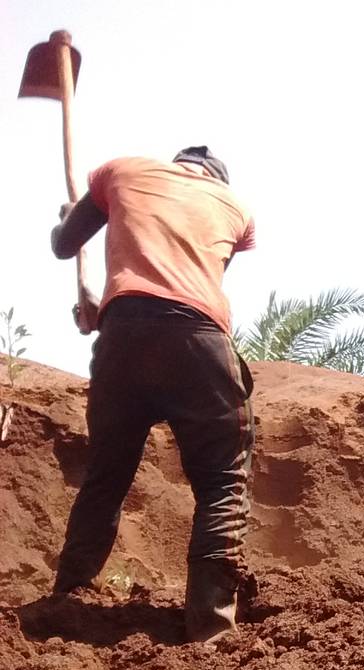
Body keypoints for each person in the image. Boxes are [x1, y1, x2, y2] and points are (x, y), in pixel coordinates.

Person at [48, 146, 257, 642]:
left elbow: (66, 246)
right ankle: (210, 626)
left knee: (106, 475)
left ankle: (68, 597)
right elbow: (184, 285)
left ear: (177, 163)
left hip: (122, 339)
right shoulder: (234, 209)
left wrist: (67, 222)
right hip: (199, 343)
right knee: (223, 481)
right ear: (214, 179)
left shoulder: (122, 170)